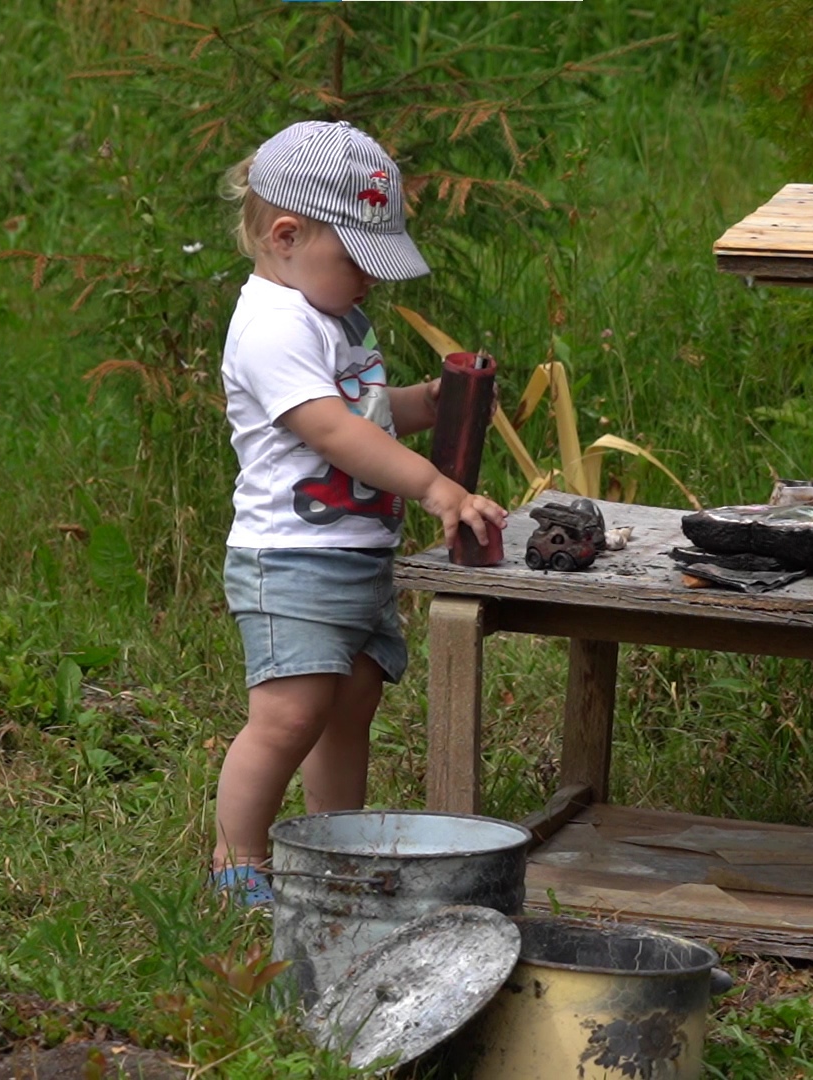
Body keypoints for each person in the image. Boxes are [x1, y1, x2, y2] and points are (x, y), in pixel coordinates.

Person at [209, 120, 506, 905]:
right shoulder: (269, 327)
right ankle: (237, 862)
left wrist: (430, 403)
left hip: (353, 560)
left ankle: (329, 849)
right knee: (288, 715)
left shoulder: (332, 315)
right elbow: (335, 431)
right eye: (356, 261)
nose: (370, 281)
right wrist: (436, 488)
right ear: (285, 235)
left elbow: (367, 413)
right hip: (291, 560)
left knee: (350, 708)